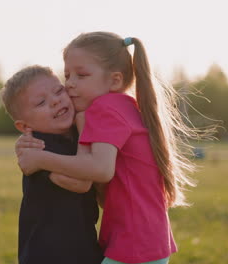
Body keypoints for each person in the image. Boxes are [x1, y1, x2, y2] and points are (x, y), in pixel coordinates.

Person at [17, 32, 199, 264]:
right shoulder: (125, 106)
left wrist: (40, 159)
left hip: (133, 241)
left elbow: (101, 169)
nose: (70, 83)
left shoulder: (105, 109)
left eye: (81, 75)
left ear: (114, 80)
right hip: (149, 237)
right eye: (67, 75)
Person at [0, 65, 103, 264]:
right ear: (25, 126)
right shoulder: (38, 147)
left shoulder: (73, 136)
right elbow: (81, 183)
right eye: (41, 102)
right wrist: (83, 123)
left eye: (58, 91)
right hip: (47, 253)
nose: (55, 101)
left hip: (82, 247)